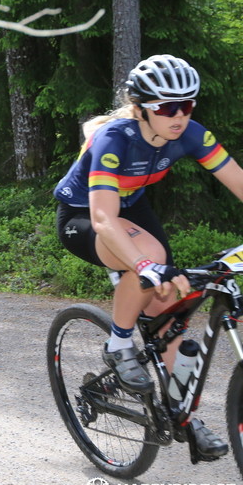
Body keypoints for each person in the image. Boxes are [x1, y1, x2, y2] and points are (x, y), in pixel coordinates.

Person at [54, 54, 239, 460]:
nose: (179, 116)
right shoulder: (114, 139)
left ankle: (184, 416)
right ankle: (118, 345)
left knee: (168, 312)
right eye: (168, 108)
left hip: (131, 209)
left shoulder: (191, 134)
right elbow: (104, 218)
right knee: (151, 259)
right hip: (85, 215)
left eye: (187, 105)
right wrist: (142, 264)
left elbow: (240, 182)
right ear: (140, 109)